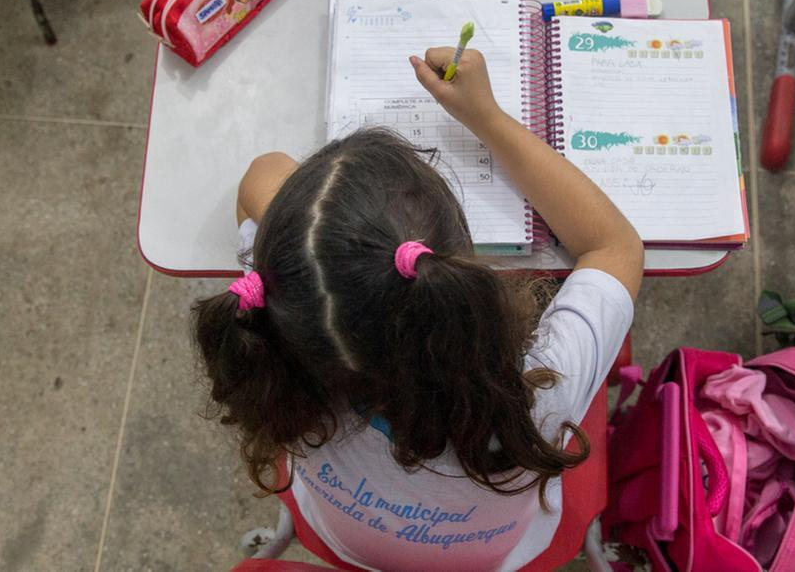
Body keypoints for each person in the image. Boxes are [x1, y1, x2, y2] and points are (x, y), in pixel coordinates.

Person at [192, 48, 643, 570]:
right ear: (453, 258)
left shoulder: (279, 349)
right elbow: (614, 245)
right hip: (500, 556)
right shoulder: (539, 393)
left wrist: (321, 249)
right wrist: (486, 117)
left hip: (344, 541)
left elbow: (262, 173)